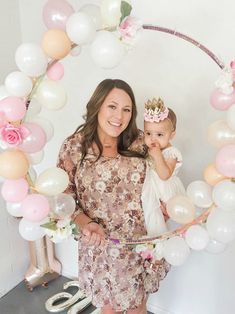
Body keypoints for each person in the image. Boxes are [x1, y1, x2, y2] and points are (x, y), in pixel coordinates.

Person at [57, 79, 170, 314]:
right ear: (97, 106)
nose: (119, 116)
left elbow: (163, 178)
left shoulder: (142, 142)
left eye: (127, 109)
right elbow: (64, 197)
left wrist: (165, 205)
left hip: (140, 246)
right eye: (112, 106)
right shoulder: (74, 147)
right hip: (101, 249)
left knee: (138, 307)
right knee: (110, 310)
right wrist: (86, 224)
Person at [142, 97, 186, 237]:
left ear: (172, 135)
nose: (152, 139)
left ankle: (163, 240)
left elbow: (165, 174)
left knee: (168, 222)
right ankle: (155, 240)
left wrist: (157, 157)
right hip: (152, 190)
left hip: (166, 192)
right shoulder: (151, 149)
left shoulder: (171, 153)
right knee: (152, 217)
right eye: (148, 133)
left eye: (159, 134)